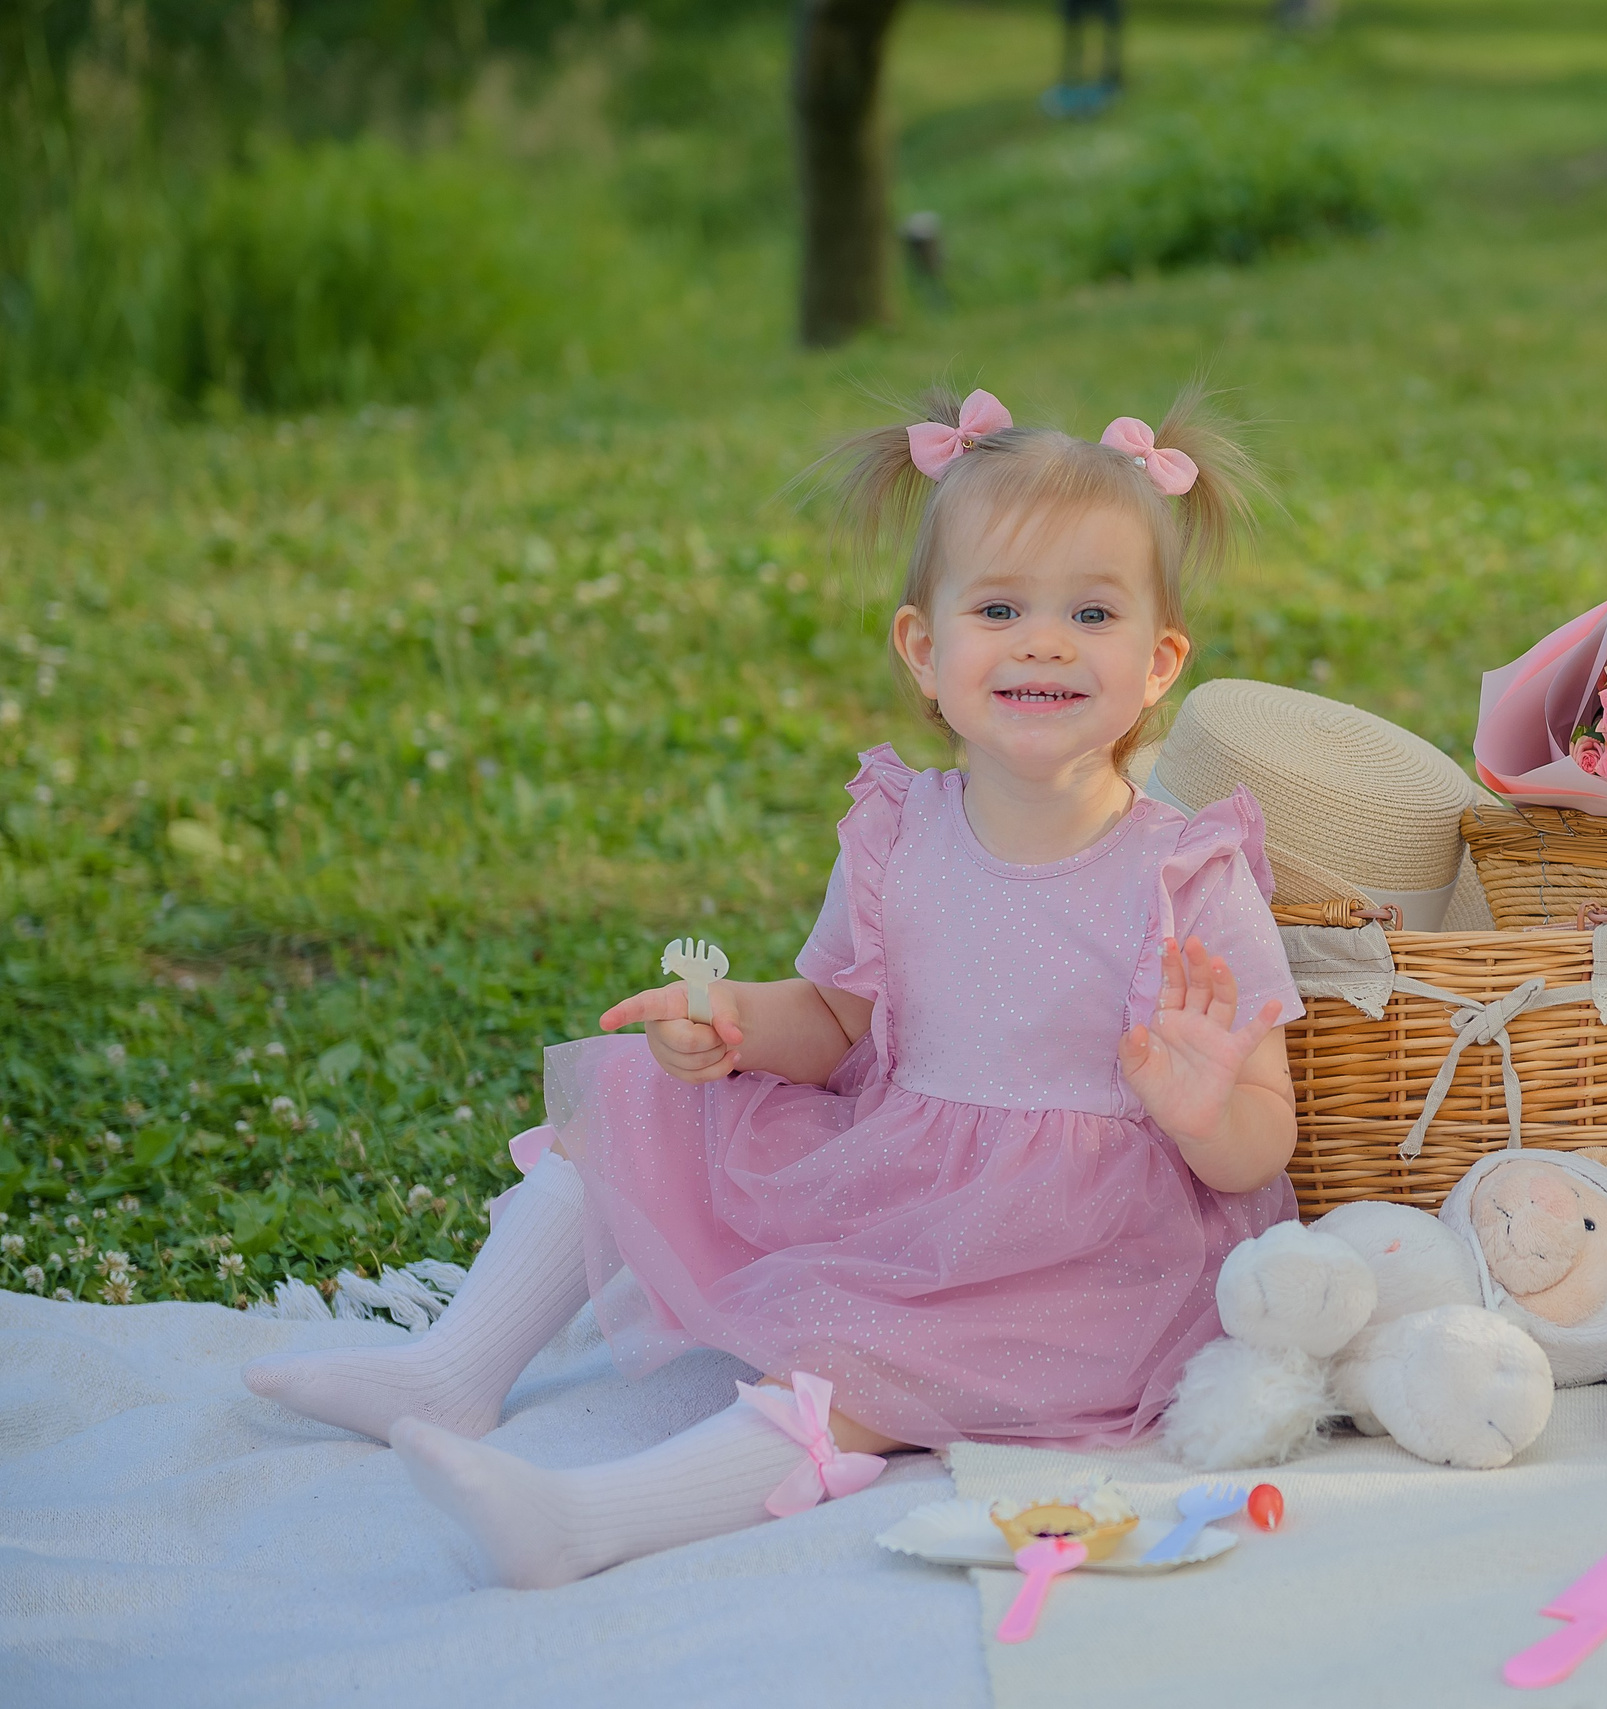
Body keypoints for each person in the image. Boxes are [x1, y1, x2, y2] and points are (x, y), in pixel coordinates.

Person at [243, 386, 1302, 1588]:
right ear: (924, 648)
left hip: (1085, 1248)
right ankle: (453, 1367)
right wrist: (740, 1020)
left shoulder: (1185, 875)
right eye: (999, 607)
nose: (1044, 640)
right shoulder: (903, 832)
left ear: (1158, 662)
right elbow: (840, 1021)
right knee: (643, 1083)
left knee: (859, 1361)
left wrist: (1204, 1103)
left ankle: (591, 1520)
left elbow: (1261, 1146)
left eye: (1091, 612)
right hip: (905, 1169)